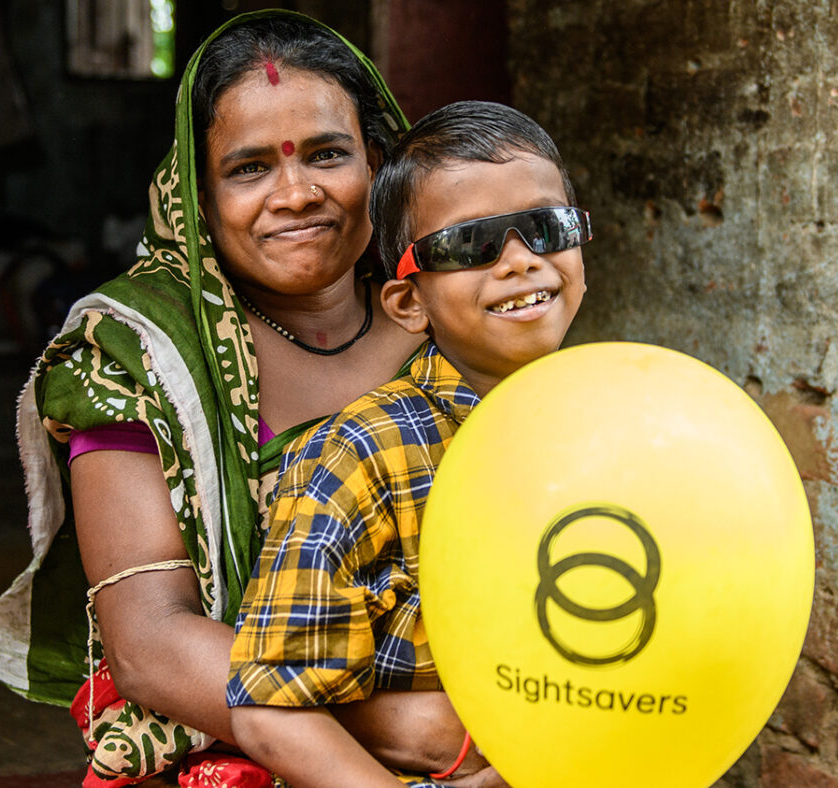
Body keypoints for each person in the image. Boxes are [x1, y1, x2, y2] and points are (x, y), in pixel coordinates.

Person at [0, 10, 470, 786]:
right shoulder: (139, 355)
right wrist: (414, 734)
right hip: (246, 750)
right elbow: (152, 644)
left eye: (328, 154)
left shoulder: (449, 319)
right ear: (198, 194)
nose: (296, 193)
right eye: (250, 168)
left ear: (381, 165)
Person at [226, 101, 592, 787]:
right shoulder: (363, 455)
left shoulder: (625, 425)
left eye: (546, 228)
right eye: (469, 245)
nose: (519, 261)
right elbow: (270, 706)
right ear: (408, 303)